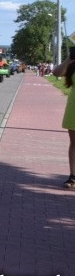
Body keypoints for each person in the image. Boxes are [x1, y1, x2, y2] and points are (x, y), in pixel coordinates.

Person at [52, 55, 75, 188]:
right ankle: (73, 176)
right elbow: (56, 73)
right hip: (74, 109)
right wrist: (69, 59)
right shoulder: (73, 65)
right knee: (74, 143)